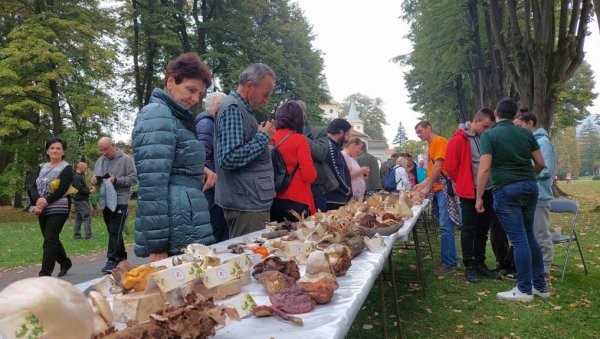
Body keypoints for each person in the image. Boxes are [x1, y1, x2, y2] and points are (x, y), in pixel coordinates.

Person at [132, 53, 216, 262]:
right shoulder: (157, 114)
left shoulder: (174, 116)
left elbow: (172, 162)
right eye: (191, 89)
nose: (195, 99)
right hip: (174, 232)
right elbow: (152, 186)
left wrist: (196, 169)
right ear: (171, 81)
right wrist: (157, 246)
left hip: (185, 224)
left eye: (200, 93)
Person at [476, 98, 548, 302]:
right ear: (515, 114)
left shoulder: (490, 135)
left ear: (496, 114)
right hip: (530, 187)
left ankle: (524, 289)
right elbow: (541, 163)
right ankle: (540, 286)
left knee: (518, 239)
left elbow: (484, 169)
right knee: (529, 236)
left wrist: (479, 197)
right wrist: (528, 178)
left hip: (506, 190)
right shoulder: (526, 133)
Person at [214, 63, 276, 238]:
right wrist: (263, 136)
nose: (266, 100)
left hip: (248, 200)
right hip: (246, 203)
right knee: (251, 259)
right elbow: (229, 158)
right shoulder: (233, 108)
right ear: (249, 85)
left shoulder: (241, 109)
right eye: (265, 94)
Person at [445, 108, 502, 283]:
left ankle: (479, 263)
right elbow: (450, 167)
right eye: (485, 126)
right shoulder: (458, 139)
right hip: (469, 192)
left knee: (483, 229)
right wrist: (464, 181)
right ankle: (469, 265)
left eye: (489, 127)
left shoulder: (485, 137)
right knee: (469, 229)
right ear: (476, 121)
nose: (487, 130)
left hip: (488, 189)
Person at [514, 110, 556, 286]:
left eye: (520, 126)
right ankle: (531, 269)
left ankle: (544, 271)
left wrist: (522, 173)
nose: (518, 130)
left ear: (530, 122)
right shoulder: (527, 142)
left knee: (540, 233)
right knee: (528, 234)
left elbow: (546, 169)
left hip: (540, 195)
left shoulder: (542, 142)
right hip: (526, 195)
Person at [413, 120, 459, 275]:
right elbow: (432, 170)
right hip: (438, 188)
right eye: (417, 132)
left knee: (446, 226)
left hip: (444, 189)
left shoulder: (439, 141)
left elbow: (439, 167)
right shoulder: (431, 145)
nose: (419, 135)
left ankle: (450, 263)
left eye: (420, 131)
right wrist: (423, 184)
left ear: (429, 128)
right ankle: (448, 259)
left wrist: (426, 187)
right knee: (443, 226)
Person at [28, 137, 73, 277]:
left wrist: (45, 200)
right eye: (52, 148)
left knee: (49, 240)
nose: (55, 150)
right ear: (47, 150)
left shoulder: (66, 167)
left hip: (59, 207)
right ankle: (65, 262)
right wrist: (39, 200)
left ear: (63, 151)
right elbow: (33, 186)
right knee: (50, 238)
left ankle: (45, 275)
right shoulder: (41, 167)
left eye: (58, 148)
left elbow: (62, 189)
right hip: (42, 207)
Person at [92, 137, 138, 273]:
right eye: (101, 150)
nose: (104, 153)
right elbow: (97, 178)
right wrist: (94, 180)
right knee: (114, 231)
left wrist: (116, 179)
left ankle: (111, 260)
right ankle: (122, 258)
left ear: (113, 145)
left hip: (121, 200)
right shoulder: (100, 161)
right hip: (105, 200)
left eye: (106, 149)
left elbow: (133, 179)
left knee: (114, 231)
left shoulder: (126, 159)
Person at [270, 101, 317, 221]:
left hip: (274, 198)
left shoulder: (270, 138)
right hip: (297, 200)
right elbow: (309, 175)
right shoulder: (299, 140)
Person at [195, 91, 228, 242]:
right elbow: (202, 157)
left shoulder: (210, 123)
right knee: (217, 232)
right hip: (211, 189)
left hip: (212, 189)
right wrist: (217, 182)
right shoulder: (206, 124)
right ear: (217, 106)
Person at [299, 101, 338, 213]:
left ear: (303, 114)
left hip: (316, 186)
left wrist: (300, 138)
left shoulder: (318, 131)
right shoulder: (284, 133)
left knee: (318, 222)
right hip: (293, 187)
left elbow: (321, 153)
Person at [325, 118, 353, 210]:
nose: (348, 139)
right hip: (333, 199)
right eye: (347, 134)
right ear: (341, 132)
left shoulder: (334, 146)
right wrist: (347, 190)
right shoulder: (330, 146)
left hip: (337, 197)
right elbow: (335, 171)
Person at [342, 137, 370, 202]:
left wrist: (362, 176)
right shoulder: (343, 156)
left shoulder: (352, 157)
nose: (360, 151)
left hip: (356, 196)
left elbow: (354, 174)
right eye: (359, 148)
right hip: (350, 196)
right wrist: (361, 170)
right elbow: (345, 176)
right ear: (353, 146)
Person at [72, 162, 94, 240]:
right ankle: (89, 236)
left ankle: (77, 236)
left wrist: (88, 188)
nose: (86, 169)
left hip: (77, 200)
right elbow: (80, 188)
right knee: (86, 217)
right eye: (85, 168)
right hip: (81, 200)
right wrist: (89, 191)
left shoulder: (77, 176)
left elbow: (81, 187)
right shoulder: (77, 177)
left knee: (79, 218)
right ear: (80, 167)